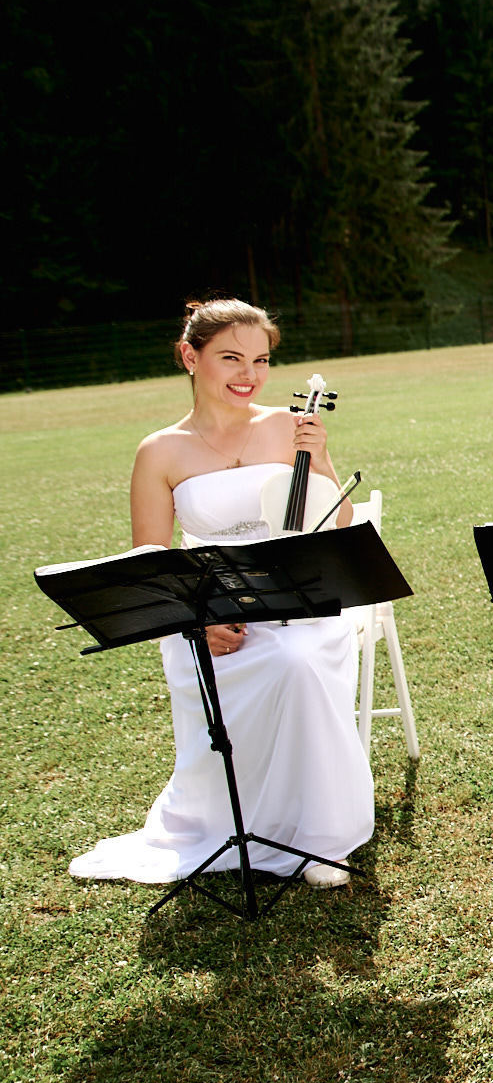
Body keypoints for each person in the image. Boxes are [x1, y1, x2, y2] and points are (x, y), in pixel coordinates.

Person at [70, 295, 369, 887]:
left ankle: (318, 836)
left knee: (296, 657)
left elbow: (337, 521)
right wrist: (199, 618)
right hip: (206, 605)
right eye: (231, 358)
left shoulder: (288, 427)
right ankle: (228, 817)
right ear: (190, 356)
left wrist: (321, 457)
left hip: (296, 598)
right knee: (232, 659)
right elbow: (152, 557)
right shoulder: (159, 451)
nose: (248, 375)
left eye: (259, 361)